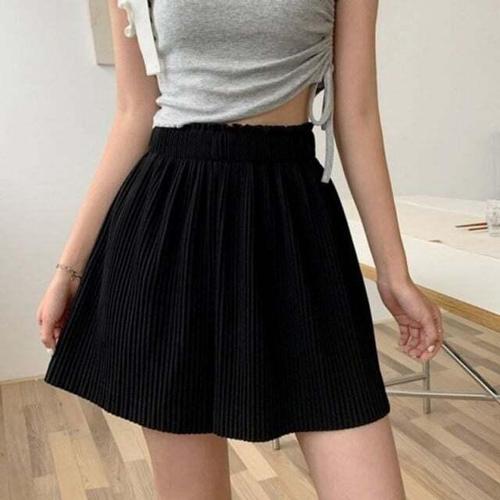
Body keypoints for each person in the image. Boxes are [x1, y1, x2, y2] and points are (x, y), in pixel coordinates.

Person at [37, 0, 444, 498]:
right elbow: (133, 113)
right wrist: (69, 270)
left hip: (295, 220)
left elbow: (356, 114)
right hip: (174, 222)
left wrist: (394, 274)